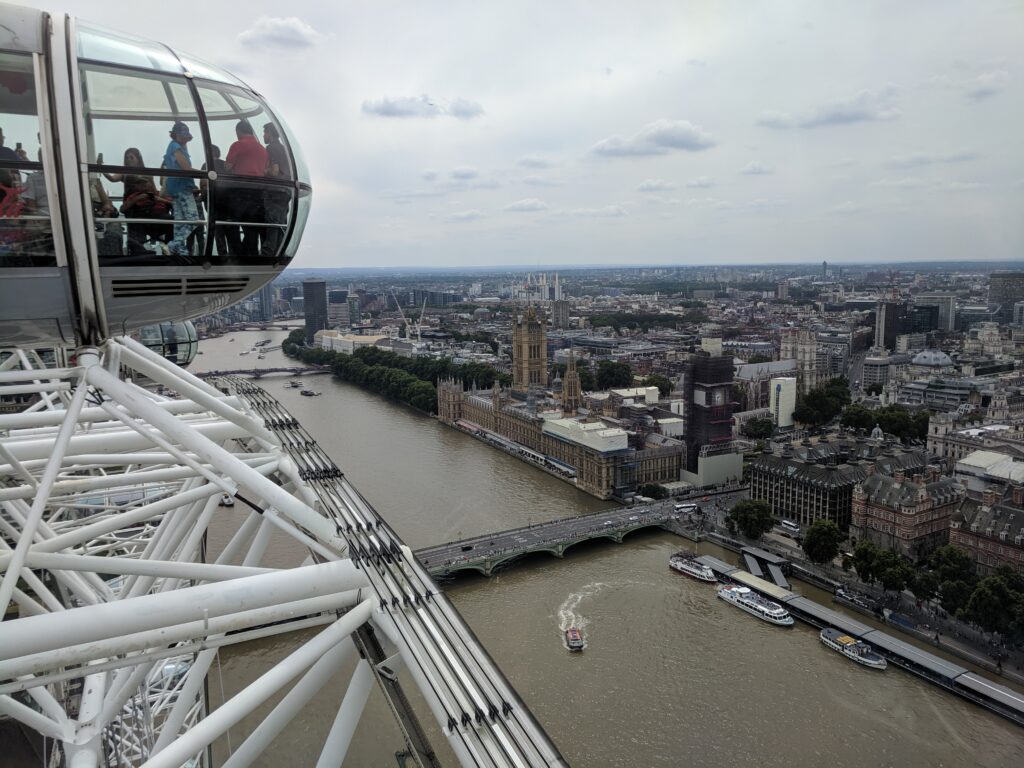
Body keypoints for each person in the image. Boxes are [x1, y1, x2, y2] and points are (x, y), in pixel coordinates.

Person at [102, 148, 171, 256]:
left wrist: (158, 199)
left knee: (164, 221)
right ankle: (137, 254)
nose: (129, 160)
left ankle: (163, 249)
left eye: (131, 157)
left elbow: (153, 189)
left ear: (138, 158)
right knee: (136, 234)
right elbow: (112, 178)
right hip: (132, 205)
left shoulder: (147, 173)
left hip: (148, 204)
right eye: (127, 157)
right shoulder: (124, 172)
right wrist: (101, 167)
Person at [224, 120, 268, 257]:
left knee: (231, 224)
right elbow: (265, 170)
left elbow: (227, 167)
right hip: (258, 192)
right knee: (251, 227)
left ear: (239, 132)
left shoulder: (238, 145)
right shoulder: (262, 149)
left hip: (240, 190)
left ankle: (238, 254)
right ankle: (251, 253)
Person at [162, 121, 199, 258]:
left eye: (186, 137)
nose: (185, 139)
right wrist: (205, 173)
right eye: (182, 136)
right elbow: (186, 168)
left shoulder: (174, 146)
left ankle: (180, 251)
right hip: (181, 187)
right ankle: (174, 244)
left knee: (180, 221)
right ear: (175, 135)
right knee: (193, 220)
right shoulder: (176, 147)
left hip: (175, 188)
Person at [260, 122, 291, 260]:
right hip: (285, 191)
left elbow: (275, 171)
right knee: (281, 225)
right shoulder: (285, 149)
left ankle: (268, 255)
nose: (264, 135)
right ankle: (280, 252)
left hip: (274, 191)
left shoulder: (271, 148)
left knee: (272, 225)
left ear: (270, 133)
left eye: (265, 132)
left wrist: (263, 171)